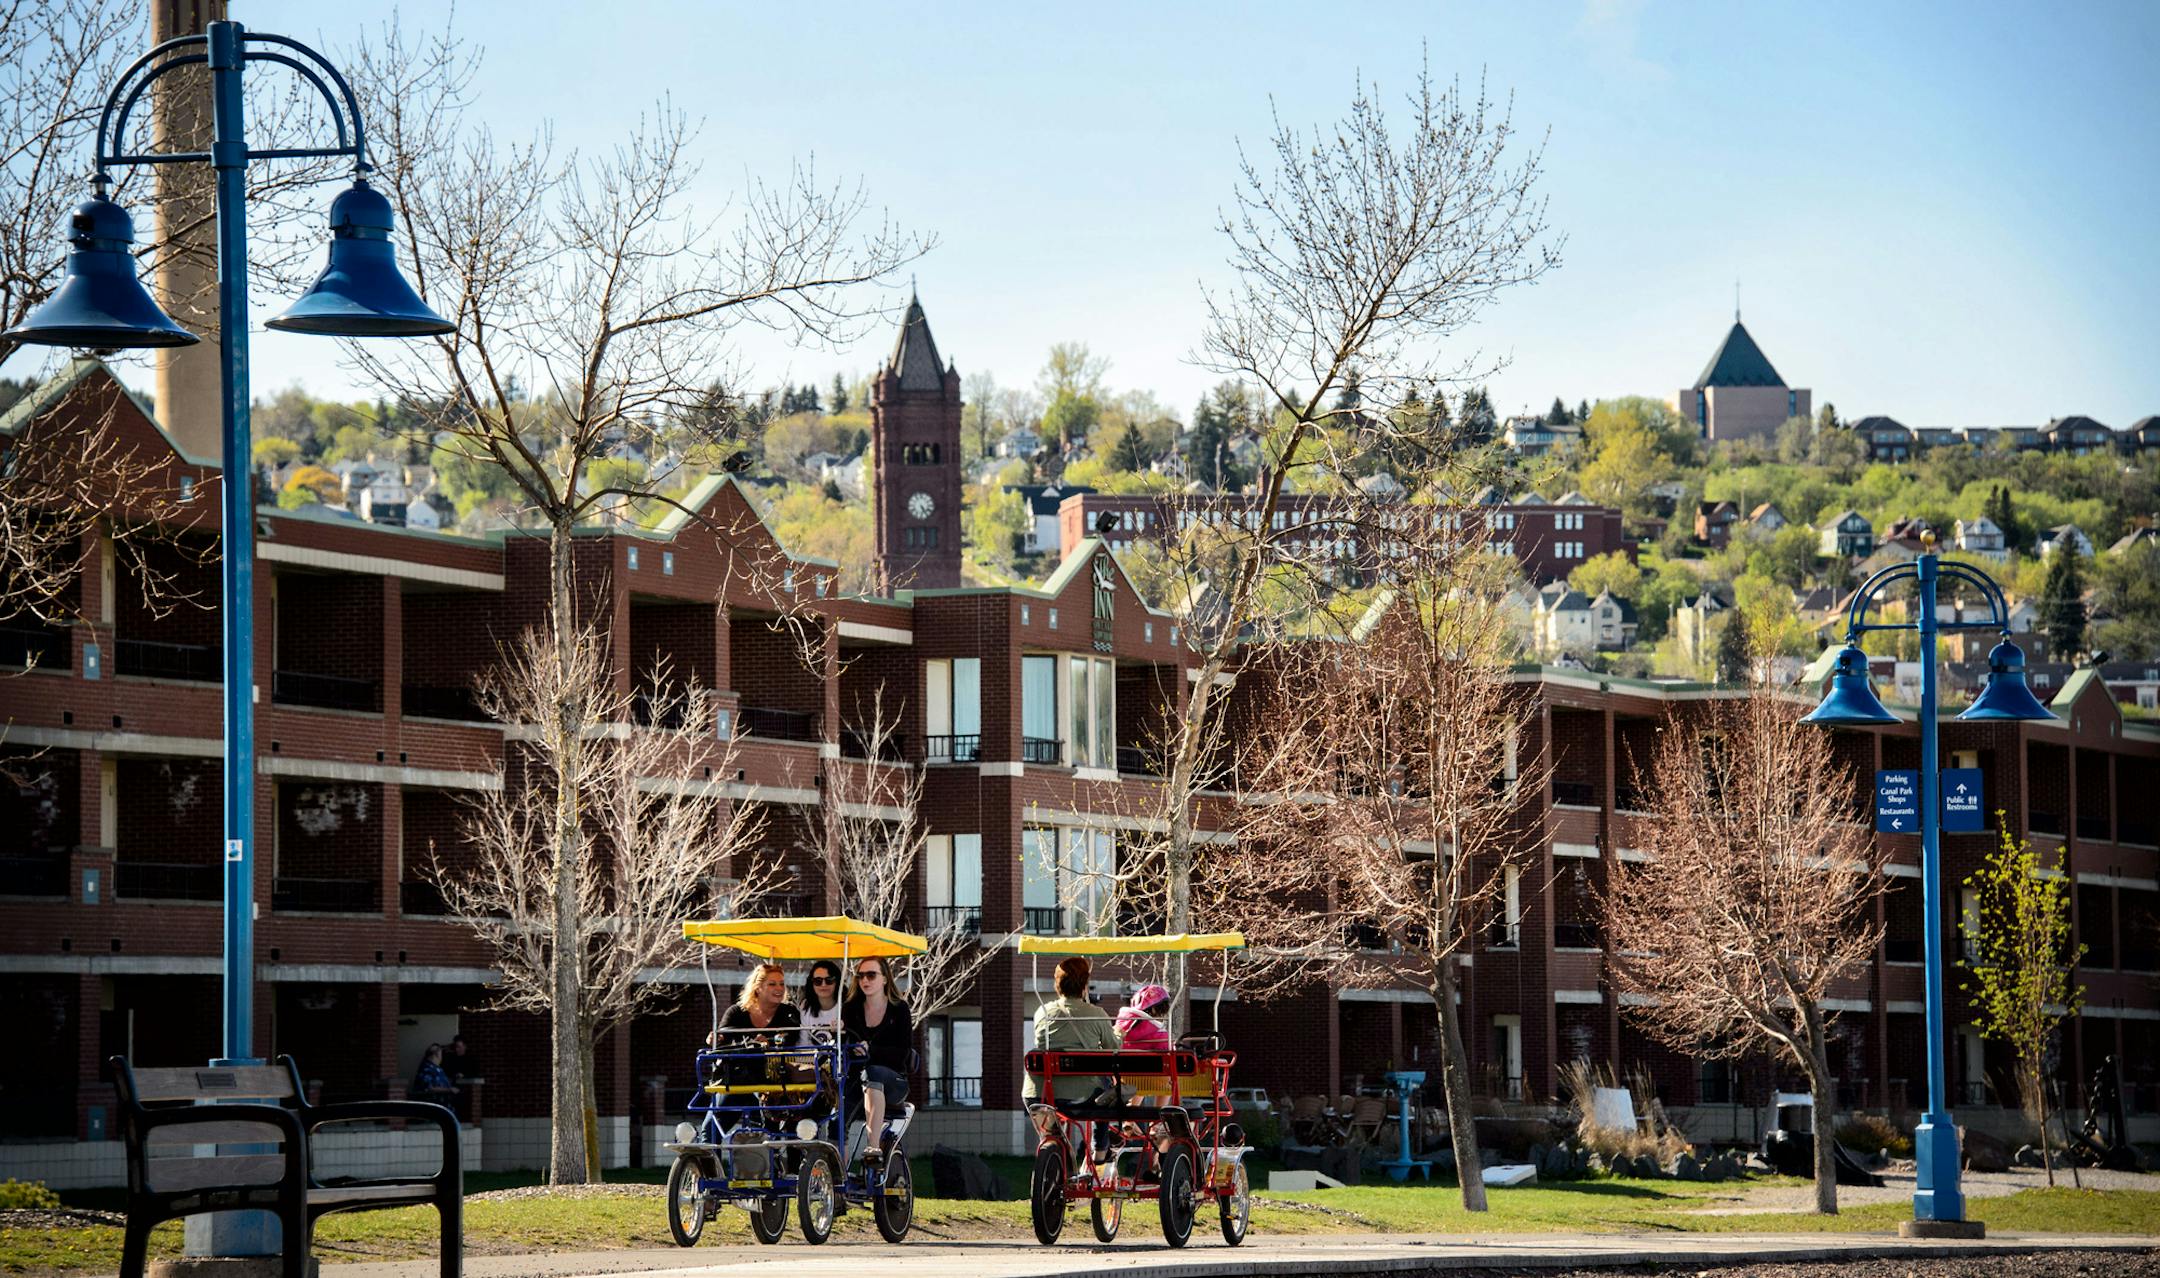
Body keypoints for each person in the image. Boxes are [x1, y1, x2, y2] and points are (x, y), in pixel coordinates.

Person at [841, 955, 912, 1165]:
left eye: (871, 975)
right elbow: (845, 1046)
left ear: (884, 979)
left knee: (873, 1073)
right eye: (860, 975)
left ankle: (873, 1147)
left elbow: (903, 1051)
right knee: (837, 1120)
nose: (865, 980)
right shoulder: (851, 1009)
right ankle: (838, 1181)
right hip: (857, 1081)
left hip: (894, 1081)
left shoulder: (899, 1009)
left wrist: (870, 1050)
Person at [1022, 956, 1119, 1103]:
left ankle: (1052, 1125)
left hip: (1039, 1093)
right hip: (1084, 1094)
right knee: (1106, 1091)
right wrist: (1119, 1034)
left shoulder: (1043, 1012)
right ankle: (1100, 1127)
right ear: (1085, 984)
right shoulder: (1096, 1014)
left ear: (1057, 983)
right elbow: (1113, 1049)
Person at [715, 962, 801, 1089]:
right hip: (737, 1077)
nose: (779, 988)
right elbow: (721, 1042)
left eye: (782, 984)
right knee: (721, 1106)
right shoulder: (736, 1012)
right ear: (757, 988)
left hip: (776, 1078)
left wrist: (769, 1044)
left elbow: (790, 1042)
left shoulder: (789, 1013)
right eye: (772, 984)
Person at [1115, 984, 1171, 1053]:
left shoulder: (1118, 1028)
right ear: (1153, 1009)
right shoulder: (1161, 1036)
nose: (1163, 1016)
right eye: (1162, 1010)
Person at [797, 959, 843, 1044]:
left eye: (829, 980)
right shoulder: (806, 1006)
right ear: (811, 983)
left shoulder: (846, 1006)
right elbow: (803, 1044)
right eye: (818, 981)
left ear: (837, 982)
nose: (823, 985)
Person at [411, 1043, 459, 1108]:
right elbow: (428, 1088)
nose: (442, 1056)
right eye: (441, 1053)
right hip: (433, 1107)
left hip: (444, 1106)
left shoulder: (438, 1069)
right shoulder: (426, 1069)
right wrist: (449, 1090)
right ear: (436, 1054)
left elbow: (441, 1083)